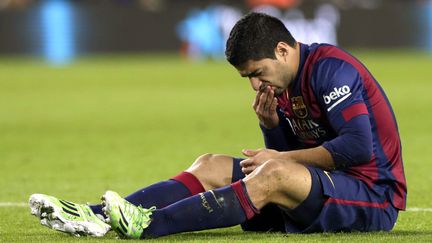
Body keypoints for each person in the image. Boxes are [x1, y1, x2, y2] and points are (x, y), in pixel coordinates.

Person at [29, 12, 407, 239]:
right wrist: (272, 124)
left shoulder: (331, 69)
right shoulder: (286, 84)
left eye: (258, 73)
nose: (256, 85)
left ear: (283, 50)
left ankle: (148, 225)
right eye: (247, 77)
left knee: (273, 171)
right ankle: (93, 216)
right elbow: (297, 156)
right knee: (209, 162)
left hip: (370, 197)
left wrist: (280, 155)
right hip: (322, 192)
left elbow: (357, 148)